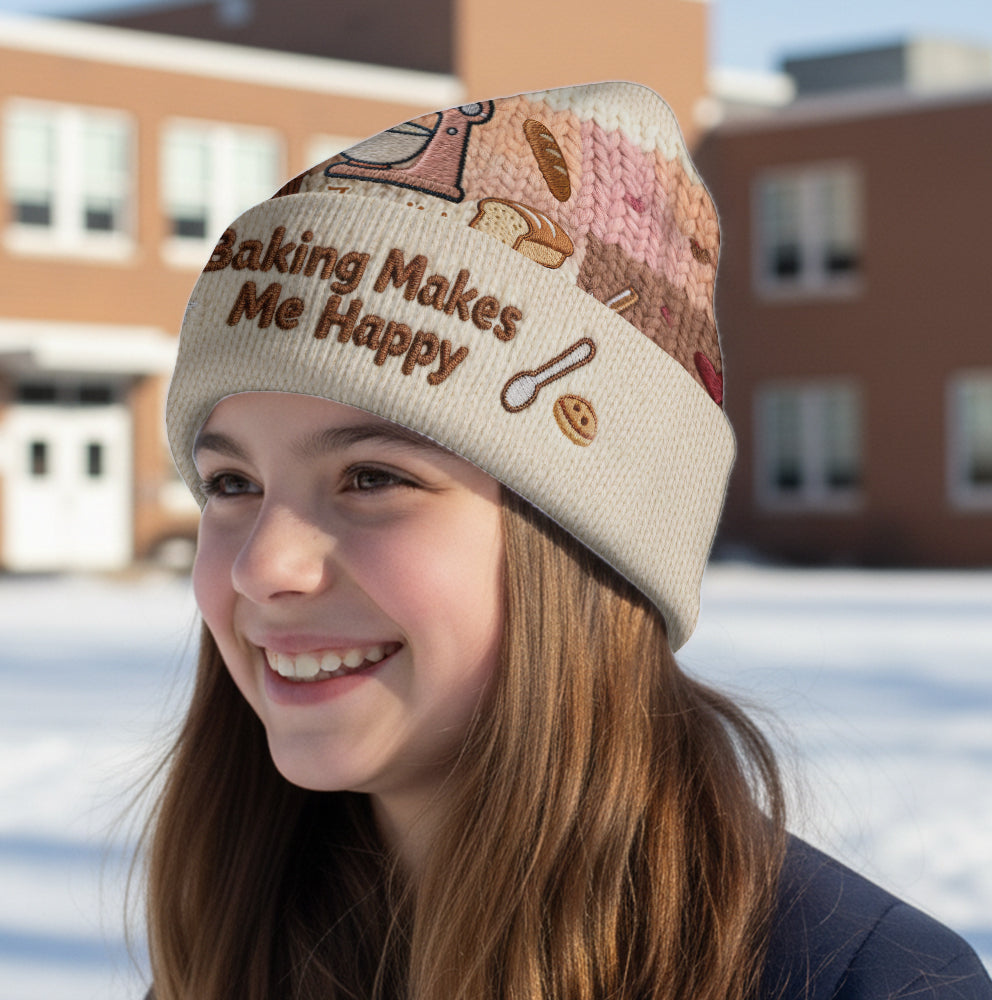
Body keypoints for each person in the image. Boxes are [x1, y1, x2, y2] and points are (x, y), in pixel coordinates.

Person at [148, 82, 991, 999]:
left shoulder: (871, 984)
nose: (264, 565)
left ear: (589, 545)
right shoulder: (236, 948)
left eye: (374, 478)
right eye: (231, 483)